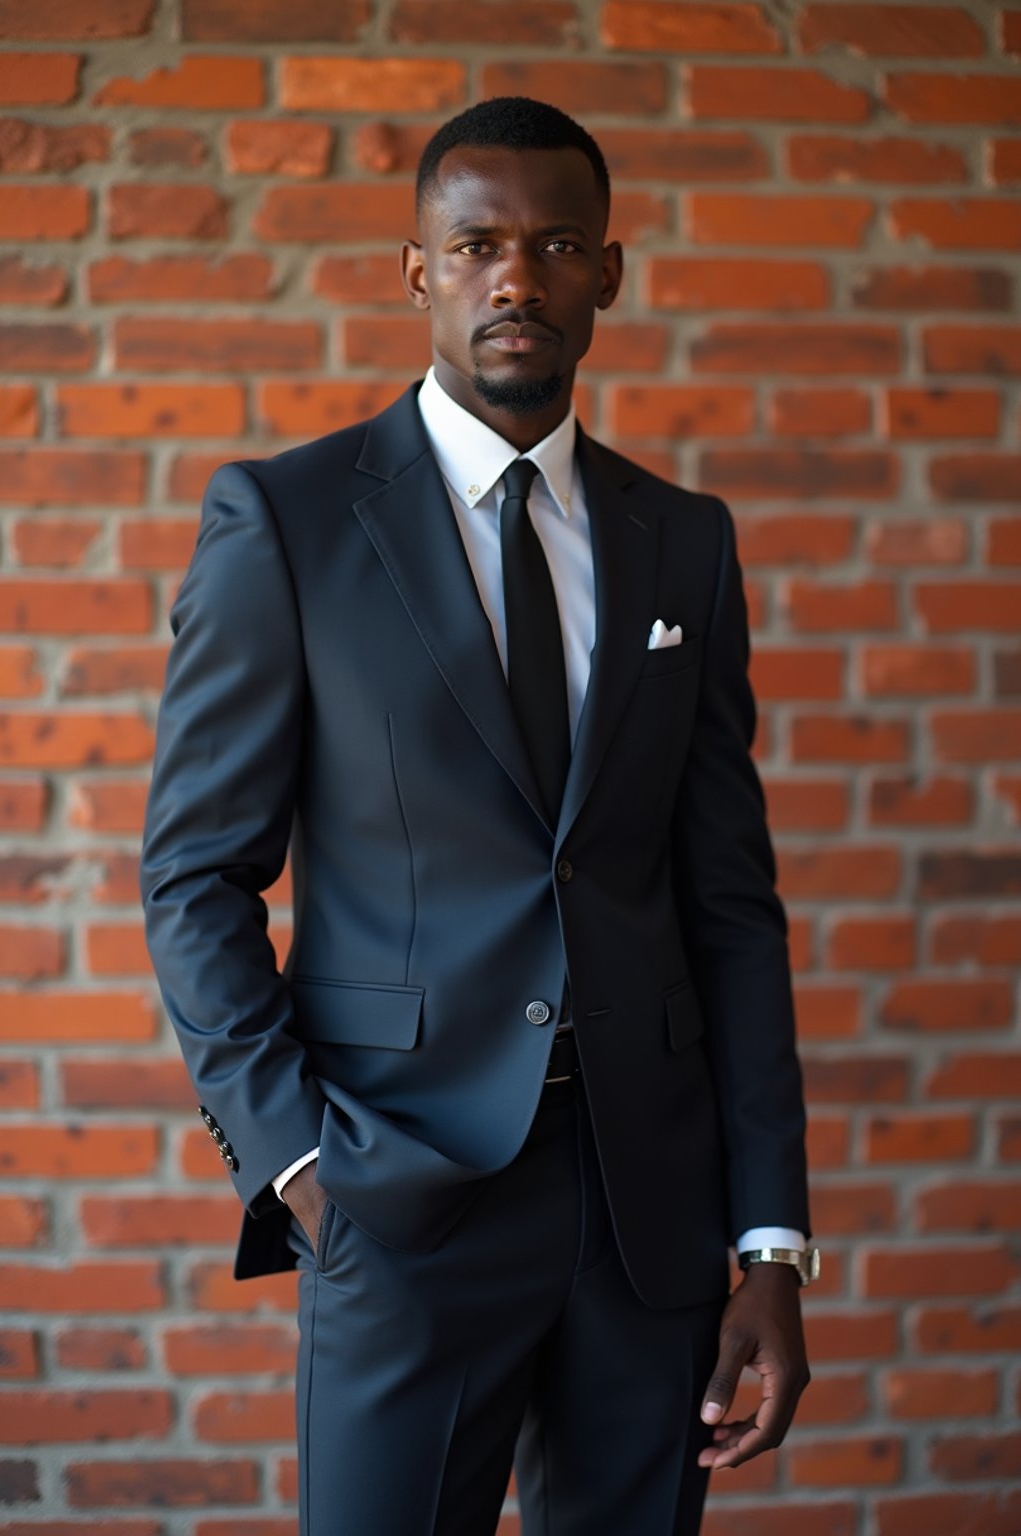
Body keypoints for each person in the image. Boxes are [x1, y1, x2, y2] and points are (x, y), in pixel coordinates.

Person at [141, 96, 816, 1536]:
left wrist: (769, 1240)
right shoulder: (291, 522)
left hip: (653, 1212)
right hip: (402, 1196)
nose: (519, 278)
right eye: (480, 246)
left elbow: (729, 905)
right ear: (420, 272)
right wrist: (305, 1169)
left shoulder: (680, 542)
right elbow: (197, 877)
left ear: (608, 275)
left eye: (558, 245)